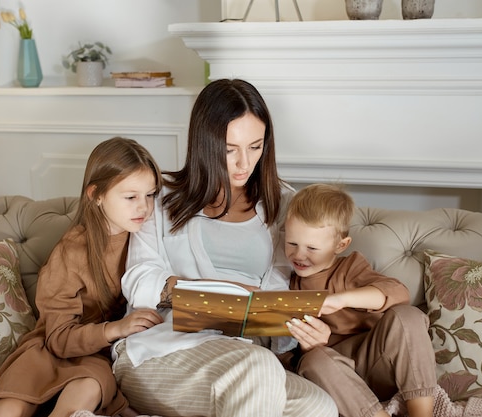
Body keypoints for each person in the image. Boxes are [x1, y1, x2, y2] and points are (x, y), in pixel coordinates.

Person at [111, 79, 338, 417]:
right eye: (229, 149)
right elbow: (138, 278)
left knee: (318, 407)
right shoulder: (162, 196)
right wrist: (214, 297)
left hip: (240, 354)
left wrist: (300, 329)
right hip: (159, 351)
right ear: (204, 143)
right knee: (258, 368)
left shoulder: (284, 203)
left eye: (255, 146)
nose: (243, 164)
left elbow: (276, 296)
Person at [0, 137, 164, 417]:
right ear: (96, 195)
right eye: (131, 197)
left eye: (150, 195)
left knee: (87, 388)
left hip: (95, 358)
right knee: (11, 408)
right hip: (51, 347)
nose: (144, 208)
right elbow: (58, 338)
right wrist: (116, 329)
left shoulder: (147, 237)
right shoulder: (72, 250)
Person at [283, 183, 437, 417]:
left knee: (409, 316)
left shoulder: (349, 268)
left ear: (340, 245)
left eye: (312, 248)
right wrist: (310, 346)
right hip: (337, 381)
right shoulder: (286, 283)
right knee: (315, 360)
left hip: (376, 363)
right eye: (292, 243)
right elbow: (289, 358)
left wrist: (341, 300)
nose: (299, 255)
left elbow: (398, 293)